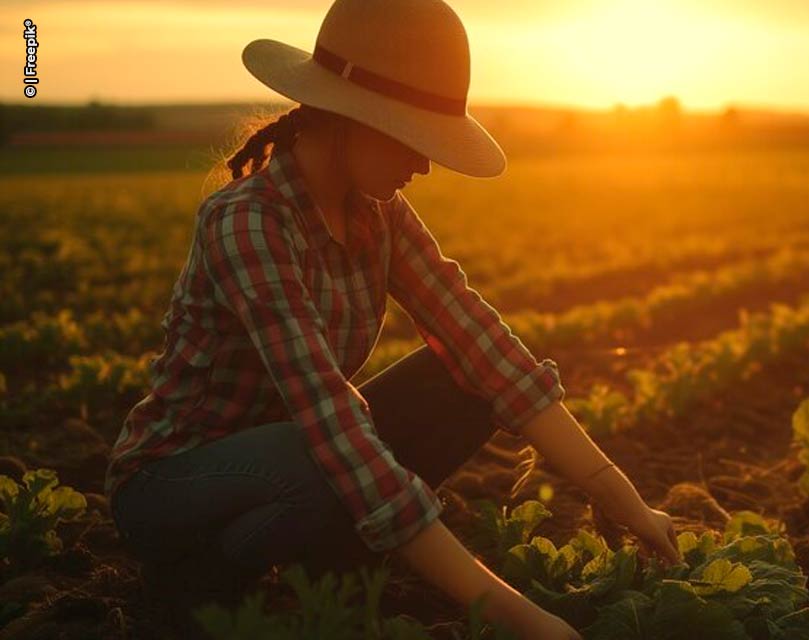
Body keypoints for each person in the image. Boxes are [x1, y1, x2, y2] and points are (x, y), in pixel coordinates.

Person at [103, 0, 679, 638]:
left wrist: (623, 496)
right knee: (325, 453)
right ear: (351, 116)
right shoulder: (247, 222)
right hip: (174, 484)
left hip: (301, 457)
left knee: (458, 377)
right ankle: (204, 578)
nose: (426, 164)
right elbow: (328, 415)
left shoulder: (379, 215)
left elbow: (485, 346)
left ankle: (335, 555)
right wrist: (519, 616)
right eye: (413, 137)